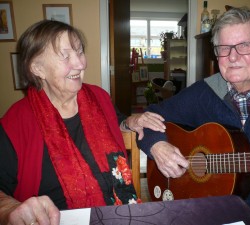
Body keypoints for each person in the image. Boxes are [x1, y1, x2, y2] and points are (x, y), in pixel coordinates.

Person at [137, 7, 250, 225]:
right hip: (204, 209)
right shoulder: (205, 92)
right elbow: (152, 116)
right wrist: (157, 146)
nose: (233, 57)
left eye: (243, 46)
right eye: (224, 48)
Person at [0, 20, 165, 225]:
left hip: (120, 216)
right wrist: (9, 208)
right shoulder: (16, 123)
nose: (80, 63)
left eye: (79, 52)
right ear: (37, 68)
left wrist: (131, 121)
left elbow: (116, 121)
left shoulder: (98, 97)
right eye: (65, 56)